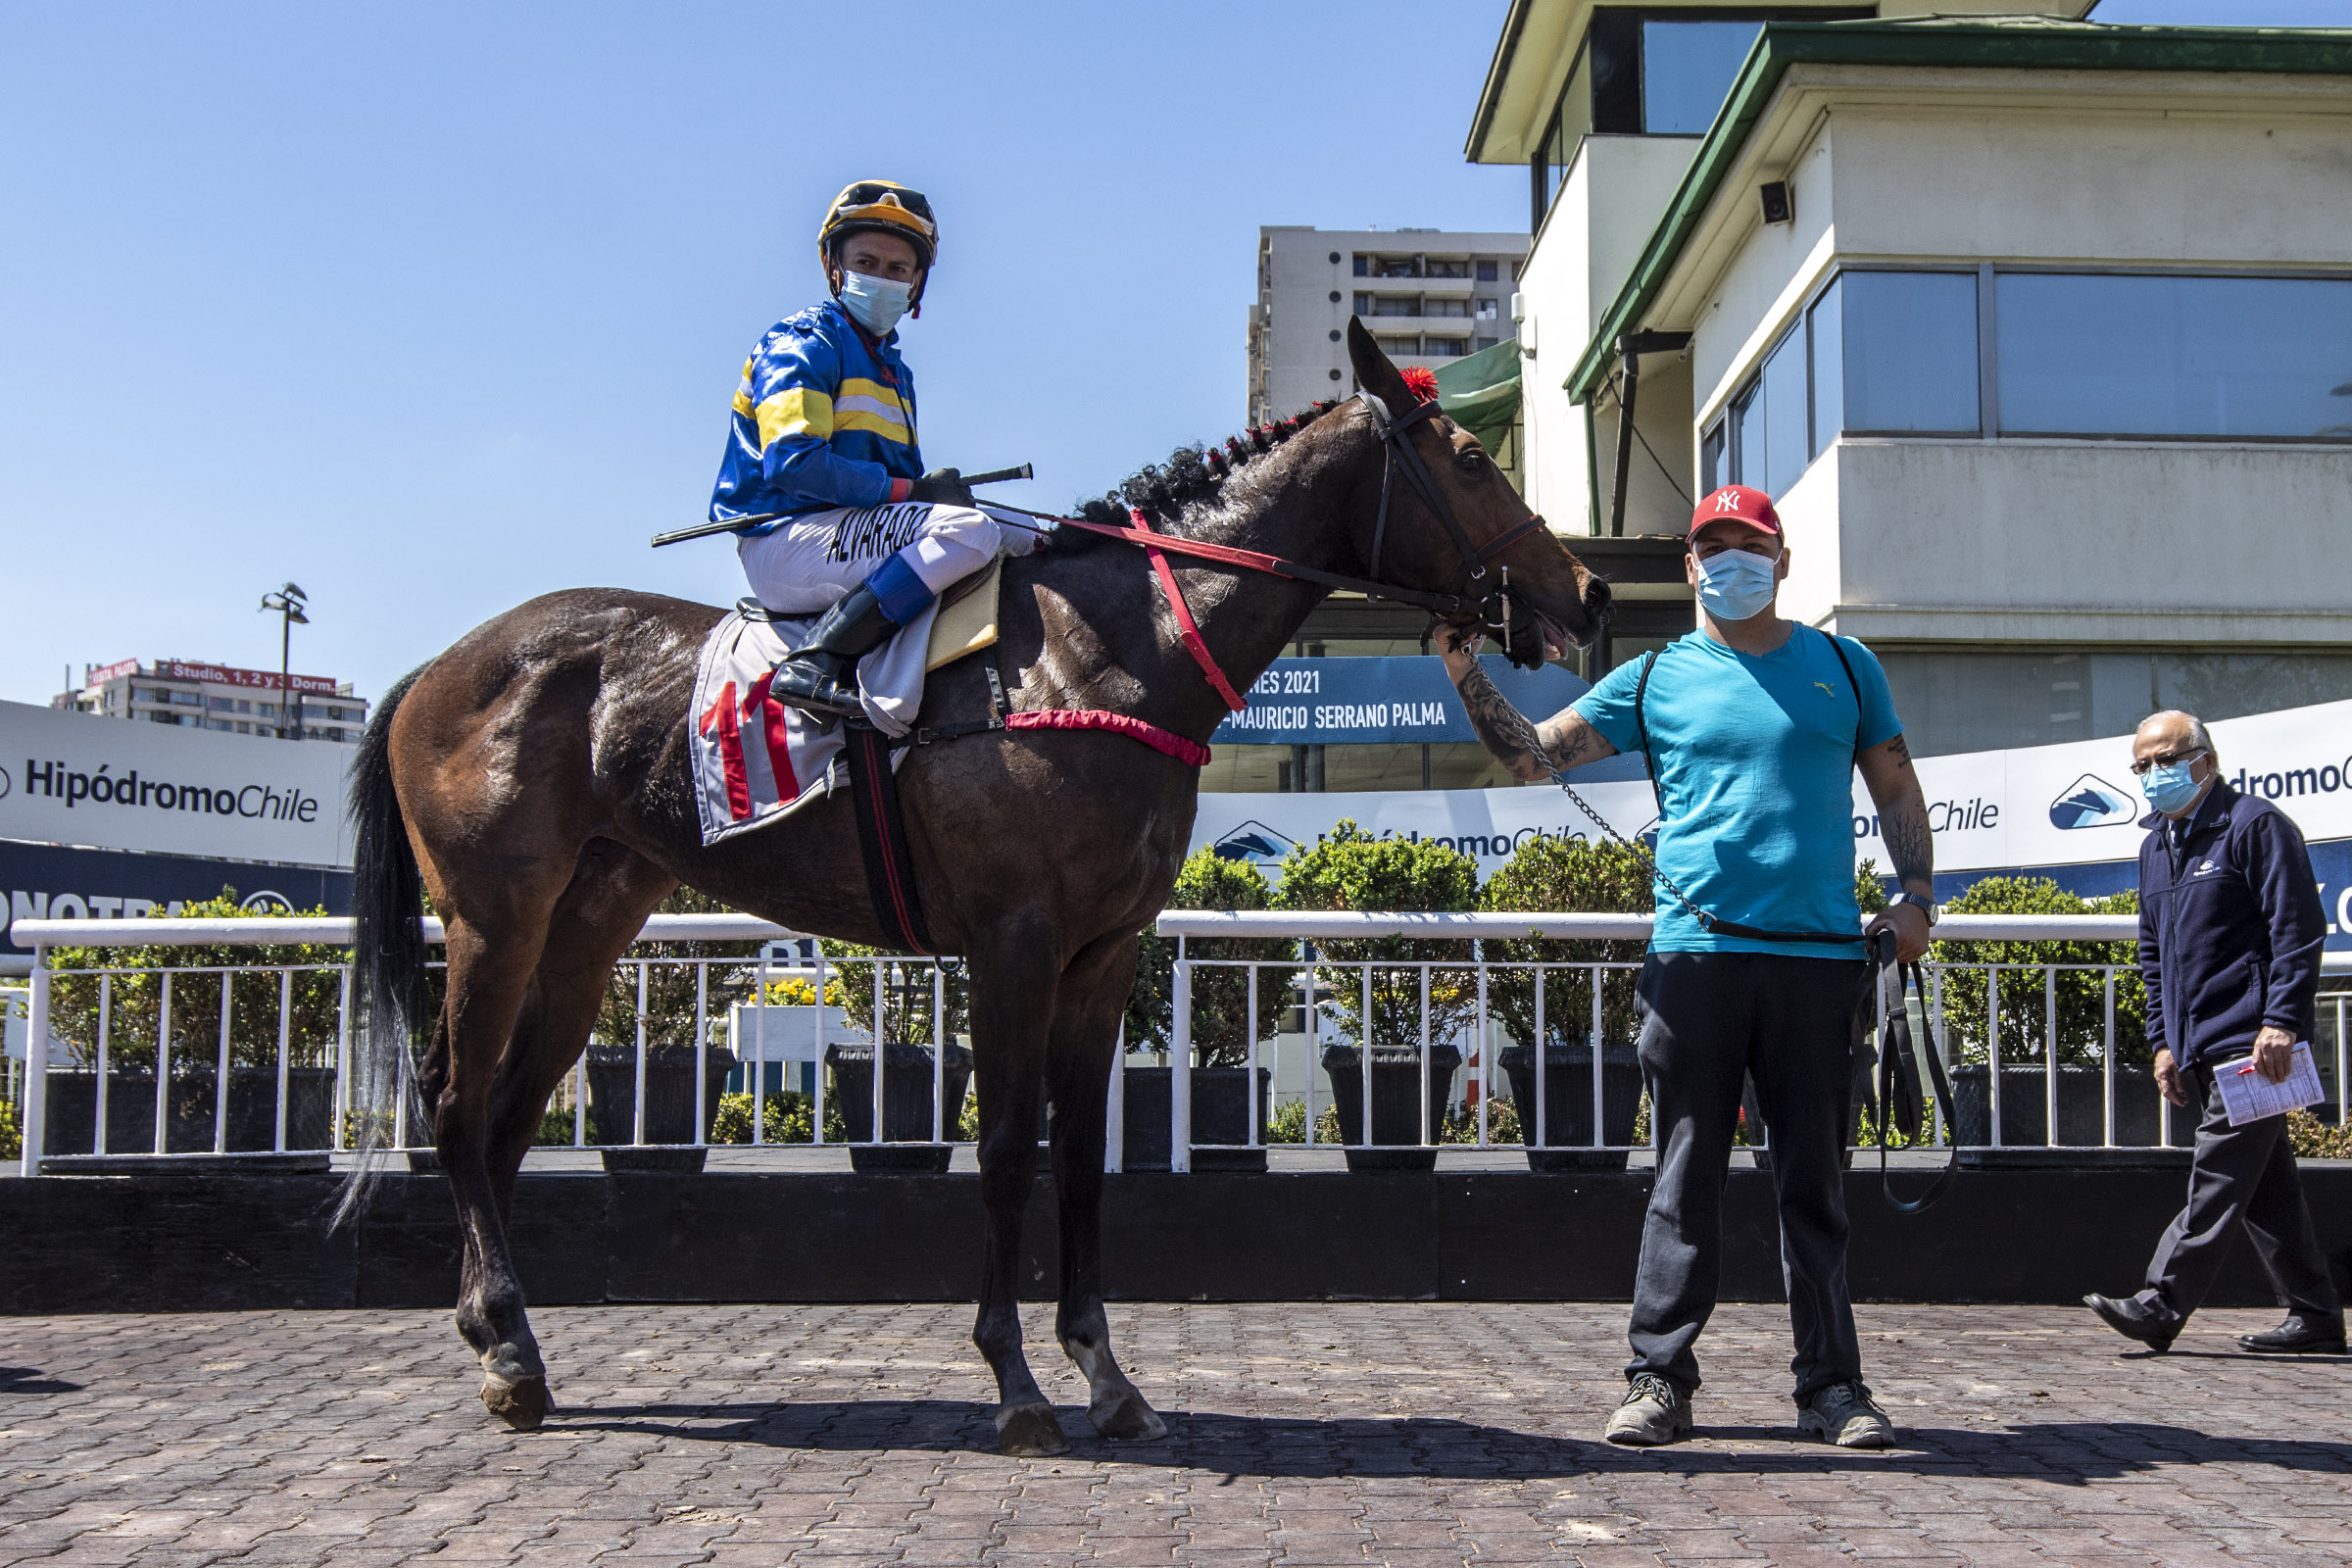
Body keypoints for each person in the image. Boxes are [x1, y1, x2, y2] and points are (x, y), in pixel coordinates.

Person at [1439, 483, 1937, 1449]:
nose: (1731, 559)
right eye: (1714, 545)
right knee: (1683, 1178)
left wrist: (1915, 894)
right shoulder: (1655, 677)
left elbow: (1897, 786)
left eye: (1750, 542)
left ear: (1782, 561)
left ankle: (1833, 1388)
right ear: (1690, 565)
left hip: (1819, 964)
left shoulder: (1846, 665)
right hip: (1695, 961)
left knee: (1815, 1186)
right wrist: (1465, 669)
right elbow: (1533, 758)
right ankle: (1658, 1379)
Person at [710, 179, 1034, 717]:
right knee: (969, 532)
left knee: (1027, 532)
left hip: (848, 529)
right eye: (866, 263)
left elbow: (905, 493)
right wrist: (913, 492)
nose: (881, 278)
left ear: (916, 283)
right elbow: (794, 464)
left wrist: (930, 491)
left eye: (897, 268)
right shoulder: (803, 343)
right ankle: (814, 661)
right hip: (783, 537)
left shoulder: (895, 371)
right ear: (834, 267)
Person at [2084, 710, 2340, 1354]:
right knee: (2266, 1188)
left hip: (2254, 1044)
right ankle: (2315, 1315)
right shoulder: (2155, 846)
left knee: (2221, 1172)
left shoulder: (2254, 825)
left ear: (2207, 759)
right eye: (2142, 765)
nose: (2154, 774)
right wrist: (2163, 1042)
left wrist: (2282, 1021)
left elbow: (2298, 928)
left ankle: (2160, 1303)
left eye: (2167, 759)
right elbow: (2152, 953)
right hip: (2196, 1045)